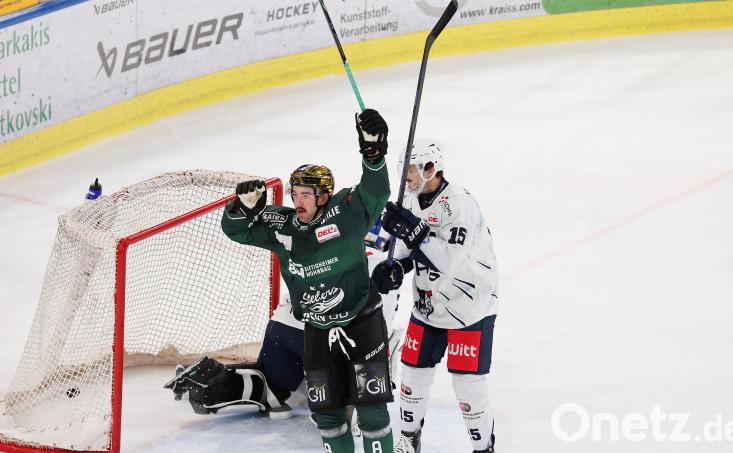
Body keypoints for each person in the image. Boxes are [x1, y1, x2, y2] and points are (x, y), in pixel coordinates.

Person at [219, 109, 393, 453]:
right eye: (294, 193)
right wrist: (240, 208)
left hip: (361, 321)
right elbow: (235, 230)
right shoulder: (282, 227)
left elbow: (377, 191)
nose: (296, 201)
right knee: (327, 415)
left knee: (372, 412)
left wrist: (373, 154)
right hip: (316, 329)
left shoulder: (347, 214)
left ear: (324, 197)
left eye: (305, 195)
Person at [164, 227, 404, 425]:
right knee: (357, 360)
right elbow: (375, 330)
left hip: (281, 328)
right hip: (319, 339)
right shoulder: (384, 265)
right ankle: (340, 404)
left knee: (271, 388)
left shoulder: (323, 245)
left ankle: (214, 385)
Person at [372, 138, 499, 453]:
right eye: (404, 170)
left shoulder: (460, 205)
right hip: (428, 306)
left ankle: (483, 447)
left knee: (467, 387)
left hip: (469, 306)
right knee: (413, 376)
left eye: (412, 170)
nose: (406, 177)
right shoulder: (412, 200)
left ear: (432, 169)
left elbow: (449, 262)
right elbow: (404, 251)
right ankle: (409, 439)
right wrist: (394, 269)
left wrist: (414, 232)